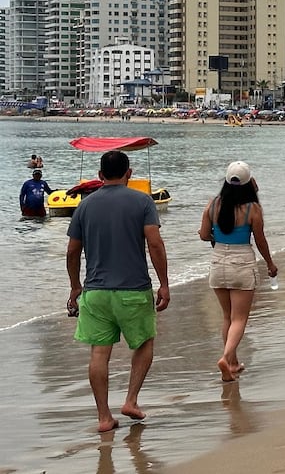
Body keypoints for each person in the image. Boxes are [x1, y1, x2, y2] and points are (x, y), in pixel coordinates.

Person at [65, 150, 170, 433]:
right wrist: (164, 283)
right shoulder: (142, 201)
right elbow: (155, 244)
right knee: (145, 342)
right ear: (129, 173)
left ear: (99, 176)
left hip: (95, 292)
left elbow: (73, 251)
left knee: (99, 353)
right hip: (133, 290)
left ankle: (103, 417)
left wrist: (75, 286)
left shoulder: (84, 206)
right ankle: (131, 400)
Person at [199, 161, 277, 383]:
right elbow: (260, 240)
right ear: (249, 183)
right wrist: (270, 264)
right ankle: (226, 358)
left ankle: (232, 362)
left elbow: (204, 235)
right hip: (242, 262)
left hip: (218, 263)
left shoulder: (213, 204)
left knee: (227, 317)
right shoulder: (252, 209)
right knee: (239, 318)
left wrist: (214, 236)